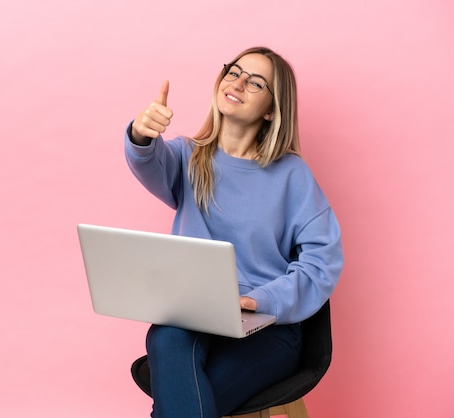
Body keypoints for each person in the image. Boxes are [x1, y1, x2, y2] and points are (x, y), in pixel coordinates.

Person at [124, 46, 343, 418]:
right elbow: (147, 160)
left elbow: (322, 264)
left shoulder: (292, 175)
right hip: (194, 316)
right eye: (234, 71)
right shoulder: (187, 157)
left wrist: (256, 301)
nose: (238, 82)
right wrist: (141, 134)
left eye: (255, 82)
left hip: (268, 326)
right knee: (167, 336)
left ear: (272, 109)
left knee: (187, 400)